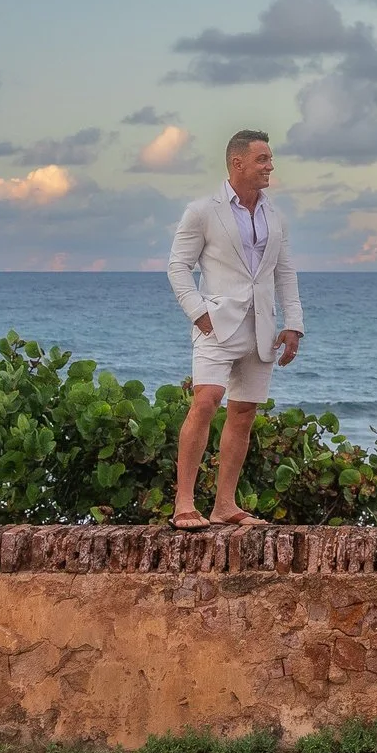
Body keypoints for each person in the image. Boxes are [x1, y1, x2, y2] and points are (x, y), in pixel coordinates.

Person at [166, 128, 304, 528]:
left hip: (262, 327)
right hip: (215, 324)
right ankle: (184, 504)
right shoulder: (202, 211)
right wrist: (197, 311)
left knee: (243, 412)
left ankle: (224, 505)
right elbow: (178, 266)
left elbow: (285, 271)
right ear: (237, 163)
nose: (270, 166)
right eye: (263, 159)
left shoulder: (275, 215)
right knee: (205, 401)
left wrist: (293, 324)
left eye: (270, 159)